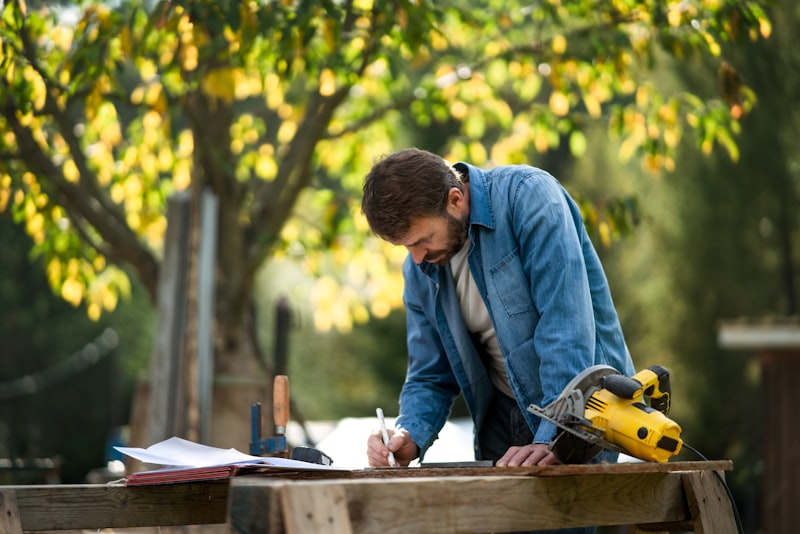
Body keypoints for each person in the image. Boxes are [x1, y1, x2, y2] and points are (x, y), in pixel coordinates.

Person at [361, 148, 635, 476]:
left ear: (455, 199)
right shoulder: (420, 269)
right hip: (502, 425)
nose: (417, 258)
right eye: (407, 247)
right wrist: (408, 435)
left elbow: (566, 330)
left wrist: (554, 437)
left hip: (582, 415)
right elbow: (429, 374)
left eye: (424, 240)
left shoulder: (529, 197)